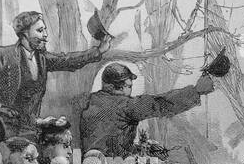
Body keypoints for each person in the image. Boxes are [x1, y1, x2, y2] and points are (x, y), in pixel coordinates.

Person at [0, 11, 110, 137]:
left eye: (45, 30)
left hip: (29, 130)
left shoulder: (42, 58)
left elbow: (67, 60)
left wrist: (98, 51)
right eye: (40, 31)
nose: (46, 35)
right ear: (24, 33)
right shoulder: (2, 55)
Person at [80, 63, 214, 157]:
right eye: (128, 86)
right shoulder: (124, 106)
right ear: (114, 87)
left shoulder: (90, 101)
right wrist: (196, 91)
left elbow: (108, 140)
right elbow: (160, 104)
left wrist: (143, 148)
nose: (130, 90)